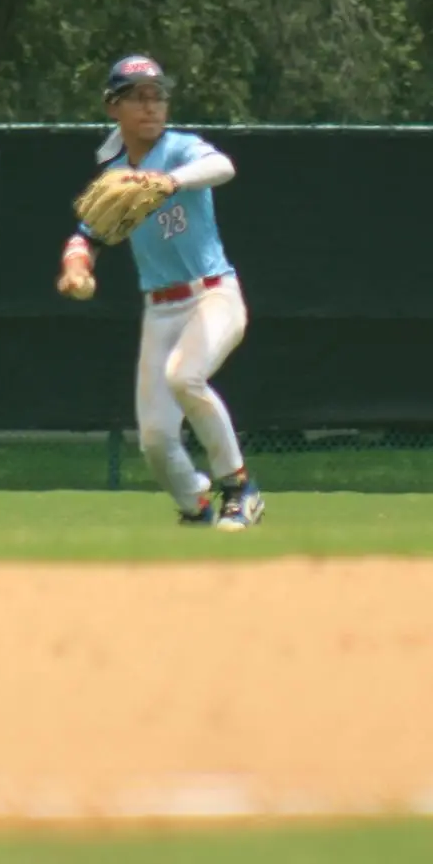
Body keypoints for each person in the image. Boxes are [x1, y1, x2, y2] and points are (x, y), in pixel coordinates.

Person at [56, 54, 265, 531]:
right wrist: (75, 266)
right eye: (137, 98)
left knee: (185, 377)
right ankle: (196, 505)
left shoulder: (179, 149)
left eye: (158, 96)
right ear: (113, 107)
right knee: (154, 439)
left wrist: (170, 180)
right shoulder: (114, 172)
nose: (151, 106)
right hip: (161, 309)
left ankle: (240, 490)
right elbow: (87, 235)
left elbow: (223, 166)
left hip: (213, 294)